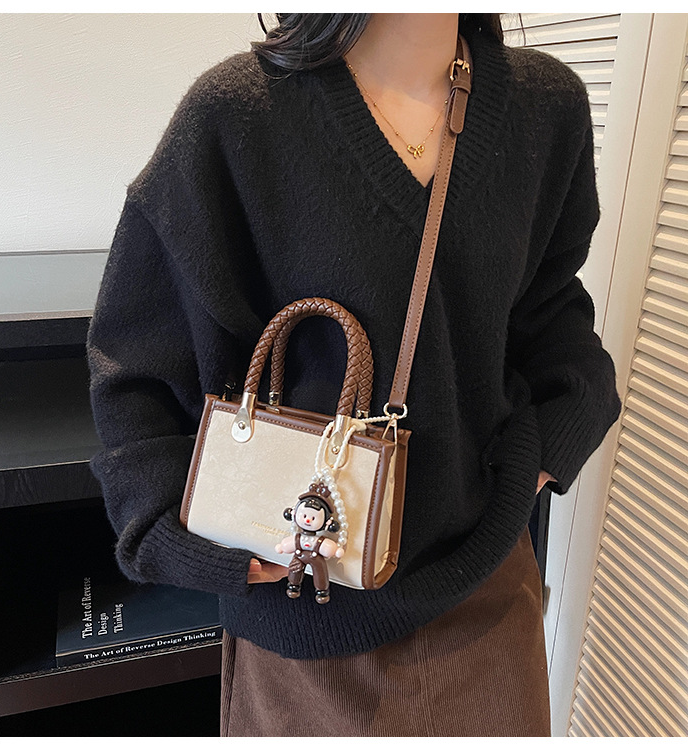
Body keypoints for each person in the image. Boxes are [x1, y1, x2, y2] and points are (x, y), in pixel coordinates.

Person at [85, 12, 622, 736]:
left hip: (488, 590)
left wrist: (544, 451)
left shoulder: (545, 110)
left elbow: (552, 317)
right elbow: (138, 364)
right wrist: (185, 538)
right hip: (303, 617)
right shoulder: (236, 119)